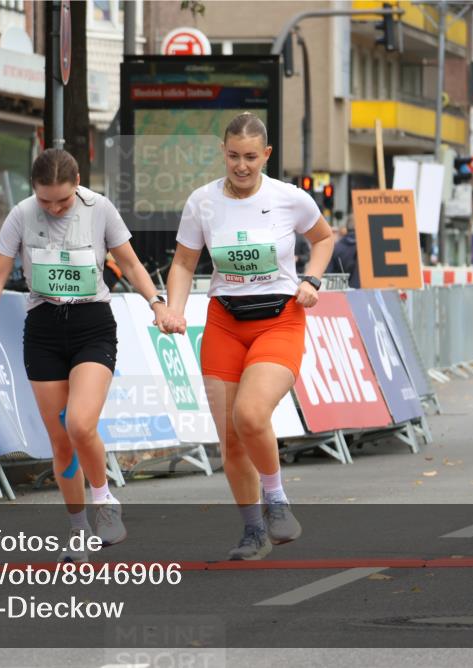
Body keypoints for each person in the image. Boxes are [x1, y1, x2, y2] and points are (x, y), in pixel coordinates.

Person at [0, 149, 170, 562]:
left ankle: (104, 501)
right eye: (46, 201)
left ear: (77, 181)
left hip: (91, 324)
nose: (55, 208)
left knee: (79, 423)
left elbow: (129, 264)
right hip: (42, 328)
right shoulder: (22, 214)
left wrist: (157, 302)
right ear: (34, 191)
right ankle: (78, 531)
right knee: (60, 441)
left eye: (62, 199)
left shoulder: (101, 210)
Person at [159, 113, 334, 560]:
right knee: (231, 438)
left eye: (251, 158)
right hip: (224, 321)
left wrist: (312, 280)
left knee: (251, 414)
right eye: (233, 156)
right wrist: (174, 308)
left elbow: (324, 239)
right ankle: (254, 532)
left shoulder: (289, 198)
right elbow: (183, 263)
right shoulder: (202, 202)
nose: (241, 166)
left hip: (279, 319)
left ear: (266, 156)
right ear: (223, 151)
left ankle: (276, 499)